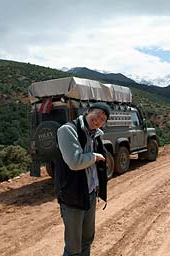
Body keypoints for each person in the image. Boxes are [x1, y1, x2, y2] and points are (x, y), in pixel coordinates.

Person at [53, 102, 111, 256]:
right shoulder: (67, 130)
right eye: (97, 115)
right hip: (72, 196)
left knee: (87, 240)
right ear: (88, 112)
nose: (98, 120)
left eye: (103, 119)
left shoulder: (96, 134)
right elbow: (74, 162)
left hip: (90, 194)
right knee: (73, 248)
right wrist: (95, 156)